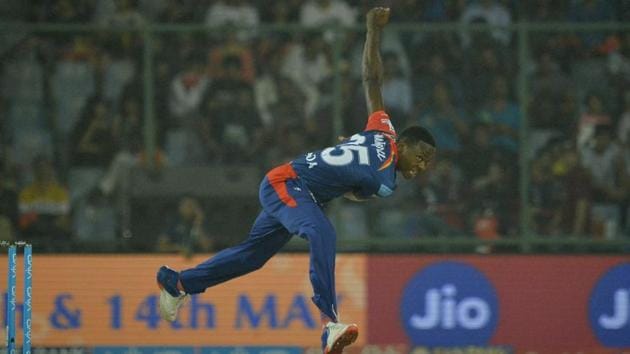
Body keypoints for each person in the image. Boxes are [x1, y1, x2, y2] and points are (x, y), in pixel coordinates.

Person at [156, 7, 436, 354]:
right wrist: (372, 31)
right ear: (403, 144)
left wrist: (346, 158)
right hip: (287, 182)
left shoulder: (382, 130)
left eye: (428, 164)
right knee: (322, 232)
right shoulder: (385, 176)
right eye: (421, 156)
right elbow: (371, 79)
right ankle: (328, 323)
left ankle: (177, 282)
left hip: (297, 190)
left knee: (252, 257)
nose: (422, 166)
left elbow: (370, 85)